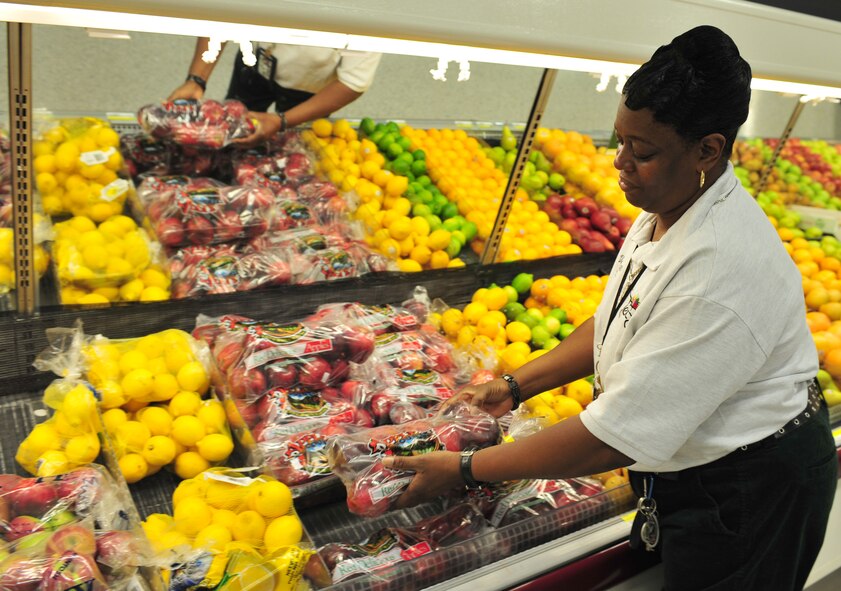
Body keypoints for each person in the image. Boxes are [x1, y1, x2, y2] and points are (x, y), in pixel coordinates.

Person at [383, 25, 837, 590]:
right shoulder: (670, 206)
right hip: (692, 462)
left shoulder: (719, 269)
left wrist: (464, 470)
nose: (619, 161)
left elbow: (611, 436)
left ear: (708, 149)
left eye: (641, 151)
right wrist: (517, 384)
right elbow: (622, 316)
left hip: (749, 486)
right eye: (618, 139)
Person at [168, 38, 381, 144]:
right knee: (233, 130)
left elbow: (352, 82)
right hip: (255, 62)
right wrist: (197, 79)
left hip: (312, 90)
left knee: (290, 147)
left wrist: (282, 121)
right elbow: (223, 14)